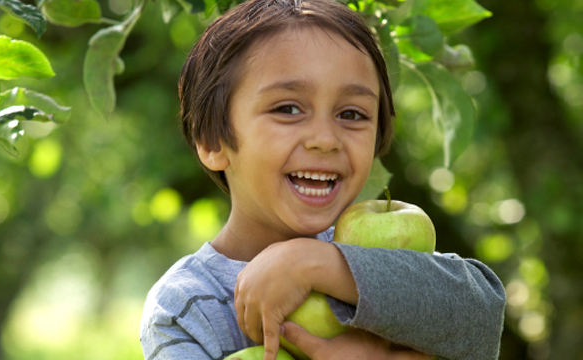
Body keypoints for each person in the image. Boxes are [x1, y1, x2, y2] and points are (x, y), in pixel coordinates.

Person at [140, 0, 506, 359]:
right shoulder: (185, 307)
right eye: (288, 109)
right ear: (212, 140)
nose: (326, 139)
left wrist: (317, 264)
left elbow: (484, 319)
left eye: (351, 113)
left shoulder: (371, 257)